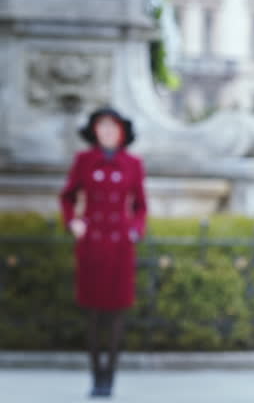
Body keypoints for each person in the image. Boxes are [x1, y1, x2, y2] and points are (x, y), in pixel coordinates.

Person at [59, 108, 147, 398]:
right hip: (93, 244)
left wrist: (135, 229)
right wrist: (74, 222)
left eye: (113, 128)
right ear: (95, 132)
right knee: (94, 313)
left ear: (122, 133)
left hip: (120, 245)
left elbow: (140, 205)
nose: (107, 132)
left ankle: (111, 374)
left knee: (117, 312)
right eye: (102, 127)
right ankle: (96, 374)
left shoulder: (132, 164)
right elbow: (68, 196)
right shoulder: (84, 161)